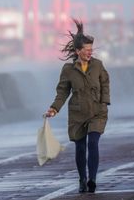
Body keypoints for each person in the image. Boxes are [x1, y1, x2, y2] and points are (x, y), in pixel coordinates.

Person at [45, 19, 110, 193]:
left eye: (91, 50)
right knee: (80, 147)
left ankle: (92, 179)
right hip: (77, 113)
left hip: (97, 111)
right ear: (78, 51)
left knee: (93, 143)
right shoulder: (68, 70)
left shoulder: (98, 65)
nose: (90, 53)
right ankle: (82, 178)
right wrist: (54, 108)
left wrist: (104, 103)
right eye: (87, 50)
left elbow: (105, 83)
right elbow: (62, 92)